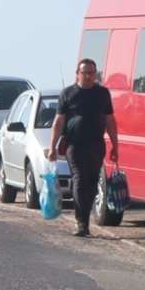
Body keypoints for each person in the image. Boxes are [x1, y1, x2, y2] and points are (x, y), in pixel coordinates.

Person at [47, 58, 118, 237]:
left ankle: (84, 216)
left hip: (96, 145)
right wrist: (52, 147)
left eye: (91, 73)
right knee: (79, 179)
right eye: (84, 72)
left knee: (92, 182)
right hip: (74, 144)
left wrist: (115, 145)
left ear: (95, 74)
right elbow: (59, 121)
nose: (88, 76)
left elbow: (110, 120)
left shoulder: (102, 93)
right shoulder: (68, 93)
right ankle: (82, 223)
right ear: (77, 74)